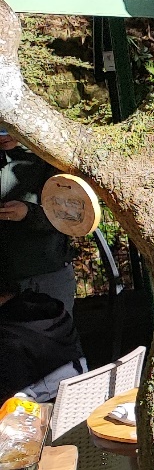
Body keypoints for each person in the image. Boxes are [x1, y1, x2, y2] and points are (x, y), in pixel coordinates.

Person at [0, 129, 76, 315]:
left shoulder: (52, 158)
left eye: (6, 128)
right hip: (6, 279)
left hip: (48, 273)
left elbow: (72, 217)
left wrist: (29, 213)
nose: (2, 136)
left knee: (55, 330)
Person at [0, 280, 82, 400]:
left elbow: (11, 389)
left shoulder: (7, 333)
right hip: (78, 385)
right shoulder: (52, 308)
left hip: (35, 403)